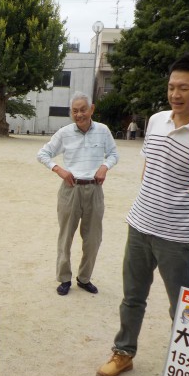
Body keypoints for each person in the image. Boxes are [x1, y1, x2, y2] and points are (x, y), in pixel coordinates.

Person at [96, 53, 189, 376]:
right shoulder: (156, 120)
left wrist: (185, 191)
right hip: (140, 225)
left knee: (182, 307)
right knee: (132, 297)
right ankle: (123, 352)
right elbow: (149, 169)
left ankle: (188, 366)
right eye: (171, 87)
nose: (175, 94)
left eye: (184, 88)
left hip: (178, 237)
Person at [37, 91, 119, 297]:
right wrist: (59, 170)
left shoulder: (103, 131)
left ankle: (84, 278)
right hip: (70, 189)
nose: (79, 114)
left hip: (94, 190)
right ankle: (64, 278)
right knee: (66, 236)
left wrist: (104, 167)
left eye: (83, 109)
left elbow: (114, 154)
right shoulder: (64, 133)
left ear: (92, 109)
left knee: (93, 238)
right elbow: (43, 153)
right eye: (75, 111)